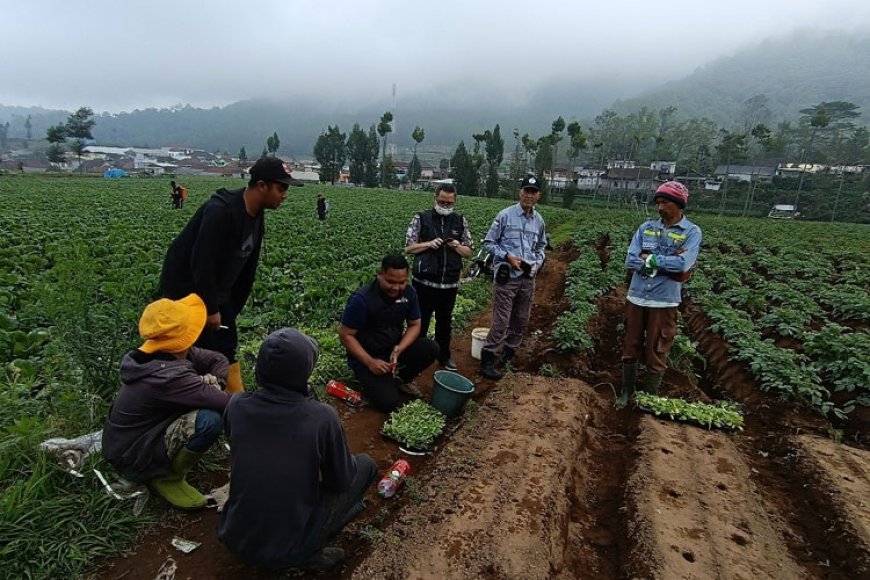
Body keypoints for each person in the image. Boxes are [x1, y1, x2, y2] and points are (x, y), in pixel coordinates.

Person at [218, 328, 378, 571]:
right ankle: (308, 552)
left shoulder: (236, 405)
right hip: (286, 551)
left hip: (234, 536)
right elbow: (341, 481)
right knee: (365, 466)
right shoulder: (321, 417)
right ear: (304, 373)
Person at [159, 157, 302, 394]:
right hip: (186, 292)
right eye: (281, 188)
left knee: (226, 346)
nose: (284, 195)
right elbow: (201, 263)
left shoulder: (256, 215)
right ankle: (196, 403)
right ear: (262, 185)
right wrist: (212, 308)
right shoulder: (221, 211)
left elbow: (247, 267)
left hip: (218, 292)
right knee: (187, 349)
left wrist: (230, 308)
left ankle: (232, 405)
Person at [101, 293, 231, 509]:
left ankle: (163, 463)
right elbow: (227, 404)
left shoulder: (163, 353)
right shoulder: (168, 376)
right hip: (132, 458)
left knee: (206, 405)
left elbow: (218, 359)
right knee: (210, 420)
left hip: (129, 440)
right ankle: (166, 477)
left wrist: (216, 380)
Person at [615, 181, 702, 409]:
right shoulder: (646, 228)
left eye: (665, 202)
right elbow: (630, 259)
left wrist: (650, 259)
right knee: (630, 345)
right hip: (637, 296)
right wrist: (666, 262)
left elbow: (684, 264)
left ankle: (648, 398)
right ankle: (626, 392)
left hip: (664, 300)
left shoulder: (691, 232)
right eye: (659, 202)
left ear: (678, 204)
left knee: (657, 349)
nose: (660, 207)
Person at [338, 254, 440, 413]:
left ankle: (401, 379)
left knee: (430, 348)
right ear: (379, 274)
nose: (396, 288)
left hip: (392, 350)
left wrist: (399, 348)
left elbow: (415, 325)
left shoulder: (410, 293)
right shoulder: (361, 299)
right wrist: (370, 362)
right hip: (367, 355)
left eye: (402, 282)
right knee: (389, 403)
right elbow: (345, 334)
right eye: (391, 282)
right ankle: (372, 381)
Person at [479, 175, 548, 380]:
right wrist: (507, 256)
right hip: (507, 276)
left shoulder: (539, 220)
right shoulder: (505, 216)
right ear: (520, 192)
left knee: (521, 319)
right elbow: (488, 243)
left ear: (538, 196)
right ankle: (488, 359)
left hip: (528, 277)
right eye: (526, 191)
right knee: (501, 320)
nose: (529, 195)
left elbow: (542, 246)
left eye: (533, 192)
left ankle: (508, 356)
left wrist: (538, 262)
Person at [404, 183, 473, 371]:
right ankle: (414, 360)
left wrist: (456, 246)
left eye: (449, 203)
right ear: (435, 198)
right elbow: (409, 247)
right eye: (442, 201)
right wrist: (428, 244)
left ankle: (444, 356)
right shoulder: (422, 218)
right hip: (424, 283)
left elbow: (468, 252)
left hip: (449, 284)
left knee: (445, 322)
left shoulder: (460, 221)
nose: (445, 205)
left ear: (455, 201)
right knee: (420, 322)